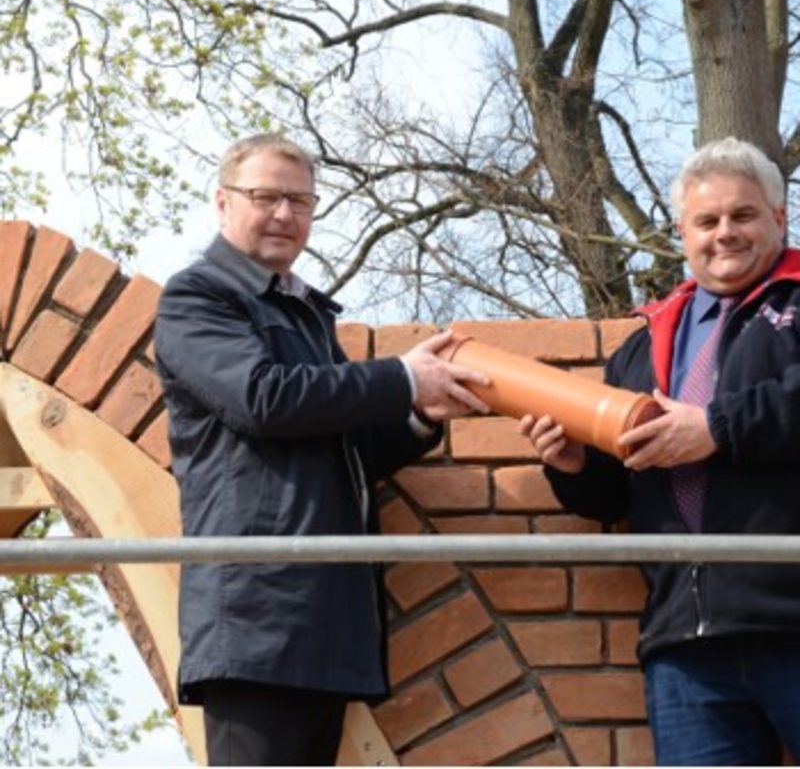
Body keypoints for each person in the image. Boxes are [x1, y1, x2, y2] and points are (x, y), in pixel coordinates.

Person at [154, 133, 489, 766]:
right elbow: (263, 397)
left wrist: (417, 413)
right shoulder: (198, 297)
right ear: (222, 203)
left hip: (319, 618)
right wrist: (400, 378)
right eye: (266, 196)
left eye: (301, 201)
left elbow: (341, 447)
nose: (285, 214)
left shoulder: (304, 314)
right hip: (256, 619)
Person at [521, 137, 800, 765]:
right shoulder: (645, 343)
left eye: (743, 215)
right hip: (686, 643)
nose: (724, 233)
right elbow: (613, 493)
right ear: (683, 232)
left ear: (780, 219)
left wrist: (718, 427)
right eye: (707, 221)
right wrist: (570, 465)